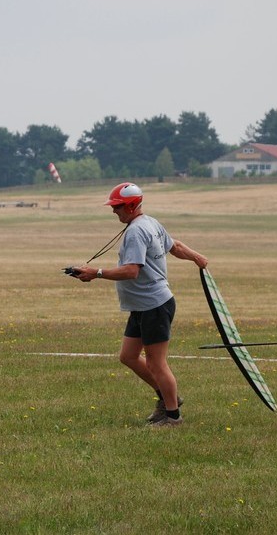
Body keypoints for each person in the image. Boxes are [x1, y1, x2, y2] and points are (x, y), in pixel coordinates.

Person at [71, 182, 208, 427]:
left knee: (156, 363)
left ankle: (173, 416)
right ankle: (168, 398)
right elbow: (175, 246)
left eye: (118, 207)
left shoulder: (137, 231)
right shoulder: (150, 223)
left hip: (154, 305)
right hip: (142, 306)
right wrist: (197, 257)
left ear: (132, 205)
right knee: (128, 356)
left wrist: (96, 273)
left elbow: (132, 271)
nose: (114, 211)